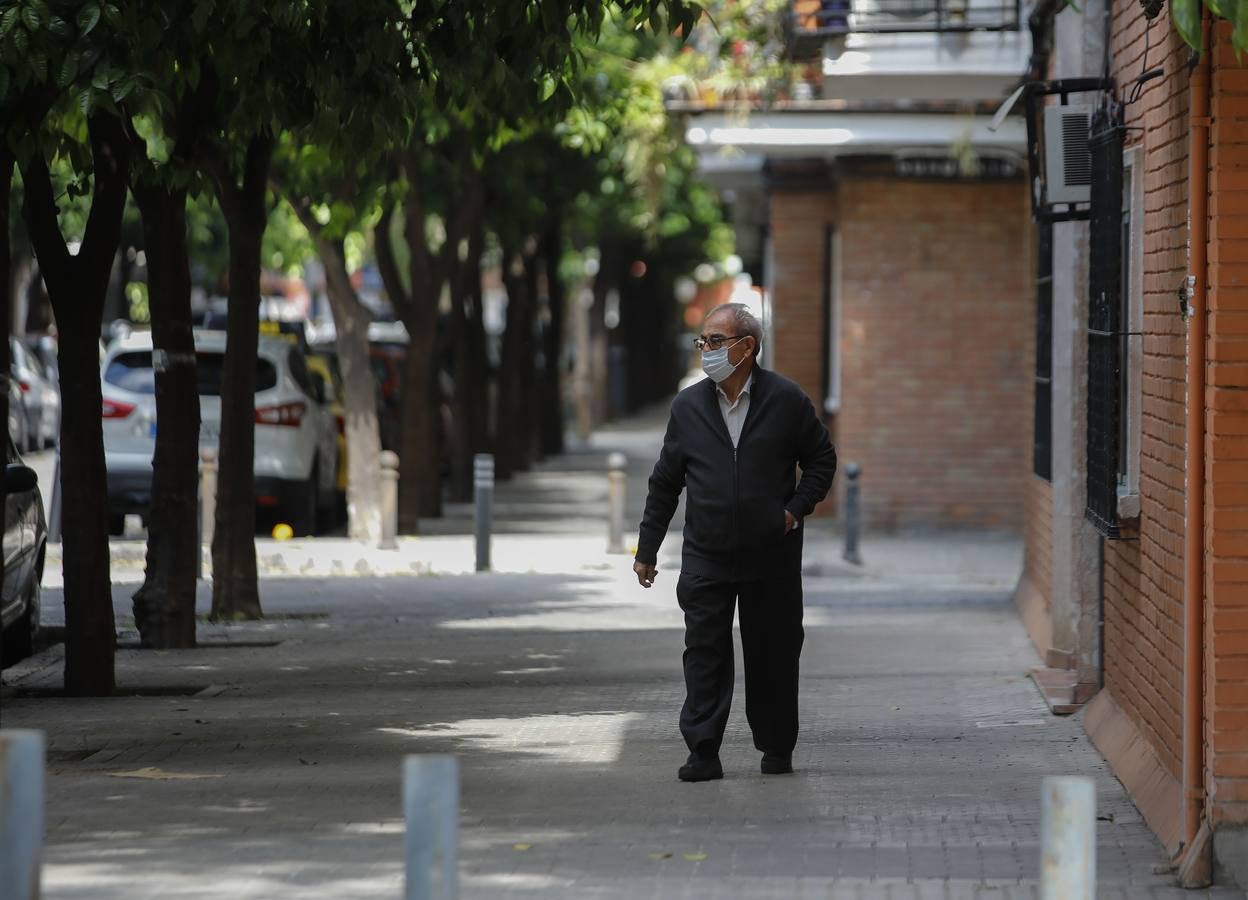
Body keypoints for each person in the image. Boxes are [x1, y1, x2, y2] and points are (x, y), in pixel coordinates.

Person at [633, 302, 837, 782]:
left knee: (774, 655)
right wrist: (646, 548)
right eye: (702, 341)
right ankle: (703, 753)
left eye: (715, 341)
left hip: (772, 557)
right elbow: (665, 483)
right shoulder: (688, 407)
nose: (705, 350)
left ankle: (776, 747)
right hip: (706, 555)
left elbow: (822, 461)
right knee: (705, 655)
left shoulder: (786, 400)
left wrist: (793, 510)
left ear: (746, 347)